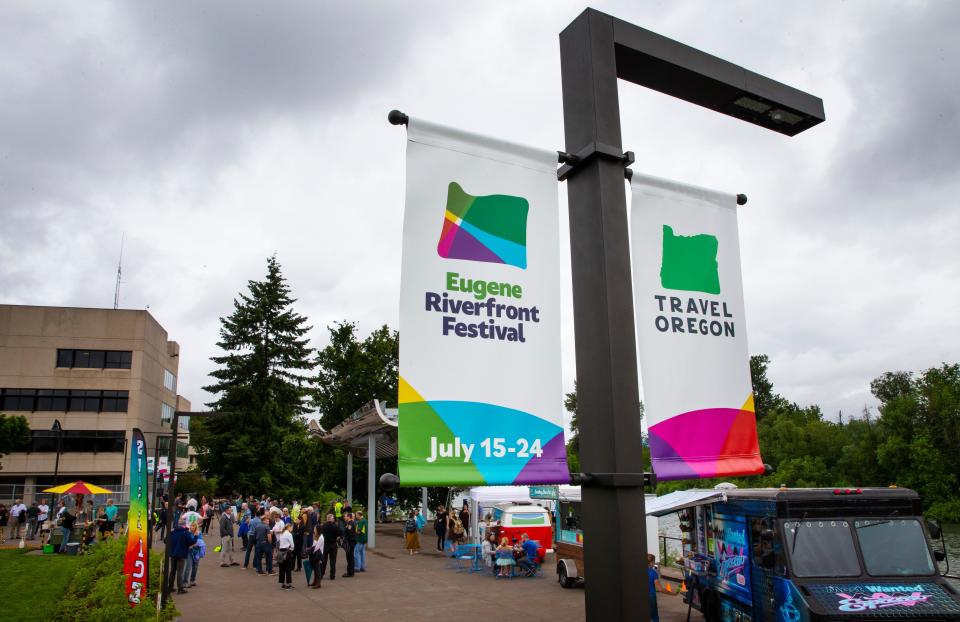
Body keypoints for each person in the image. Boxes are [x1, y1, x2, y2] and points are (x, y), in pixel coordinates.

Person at [167, 517, 196, 594]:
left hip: (173, 553)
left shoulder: (172, 532)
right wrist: (195, 536)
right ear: (184, 525)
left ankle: (170, 587)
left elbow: (165, 540)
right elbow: (191, 542)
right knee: (180, 571)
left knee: (172, 571)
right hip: (182, 554)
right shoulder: (185, 533)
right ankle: (180, 588)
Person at [319, 513, 341, 580]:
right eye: (333, 518)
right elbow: (338, 536)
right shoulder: (335, 526)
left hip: (325, 545)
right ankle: (332, 575)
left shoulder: (323, 526)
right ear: (330, 519)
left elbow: (321, 535)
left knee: (324, 560)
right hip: (333, 545)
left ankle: (321, 574)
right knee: (333, 561)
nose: (334, 519)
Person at [276, 523, 295, 589]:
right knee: (288, 568)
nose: (292, 529)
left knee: (282, 568)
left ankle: (282, 583)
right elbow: (292, 545)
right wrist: (291, 549)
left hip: (281, 551)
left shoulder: (282, 533)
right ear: (289, 527)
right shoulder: (289, 534)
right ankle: (288, 584)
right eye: (292, 528)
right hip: (287, 551)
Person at [648, 553, 665, 622]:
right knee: (654, 616)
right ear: (651, 562)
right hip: (651, 596)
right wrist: (673, 593)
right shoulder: (653, 573)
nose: (654, 563)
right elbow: (659, 589)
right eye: (654, 562)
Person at [308, 525, 325, 589]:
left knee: (317, 569)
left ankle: (318, 583)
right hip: (315, 554)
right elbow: (314, 545)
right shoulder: (316, 536)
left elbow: (316, 547)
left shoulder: (321, 537)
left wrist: (310, 550)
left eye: (315, 529)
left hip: (318, 555)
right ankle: (315, 582)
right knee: (315, 569)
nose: (314, 530)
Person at [341, 511, 357, 578]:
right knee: (350, 557)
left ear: (349, 517)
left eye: (346, 516)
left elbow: (349, 533)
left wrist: (345, 540)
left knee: (349, 557)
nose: (345, 517)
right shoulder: (351, 523)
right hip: (352, 542)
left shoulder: (350, 523)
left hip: (350, 543)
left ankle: (350, 573)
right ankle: (351, 572)